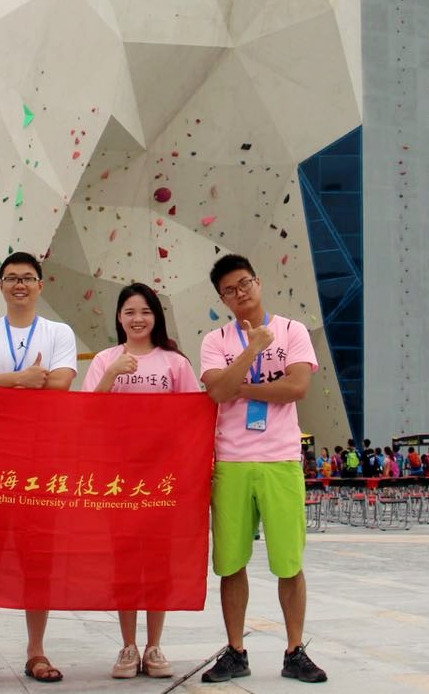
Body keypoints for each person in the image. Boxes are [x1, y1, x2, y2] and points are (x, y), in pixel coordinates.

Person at [199, 254, 327, 685]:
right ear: (222, 299)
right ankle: (235, 651)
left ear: (258, 282)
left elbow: (297, 387)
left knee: (289, 561)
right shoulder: (215, 340)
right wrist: (252, 349)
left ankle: (295, 651)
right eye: (229, 290)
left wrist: (242, 386)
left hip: (280, 460)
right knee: (230, 563)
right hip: (231, 461)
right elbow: (217, 392)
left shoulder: (292, 330)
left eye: (245, 283)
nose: (240, 293)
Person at [0, 251, 77, 686]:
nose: (19, 284)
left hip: (41, 460)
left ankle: (36, 651)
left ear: (40, 285)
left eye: (27, 278)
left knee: (36, 558)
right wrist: (21, 380)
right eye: (11, 278)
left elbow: (60, 383)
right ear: (1, 286)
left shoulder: (59, 332)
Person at [83, 282, 200, 680]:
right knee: (125, 561)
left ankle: (154, 646)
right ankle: (128, 646)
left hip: (161, 479)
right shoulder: (105, 359)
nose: (138, 319)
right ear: (119, 317)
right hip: (119, 478)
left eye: (145, 311)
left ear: (156, 317)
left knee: (158, 562)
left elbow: (192, 420)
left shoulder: (175, 363)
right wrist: (111, 375)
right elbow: (84, 415)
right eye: (130, 312)